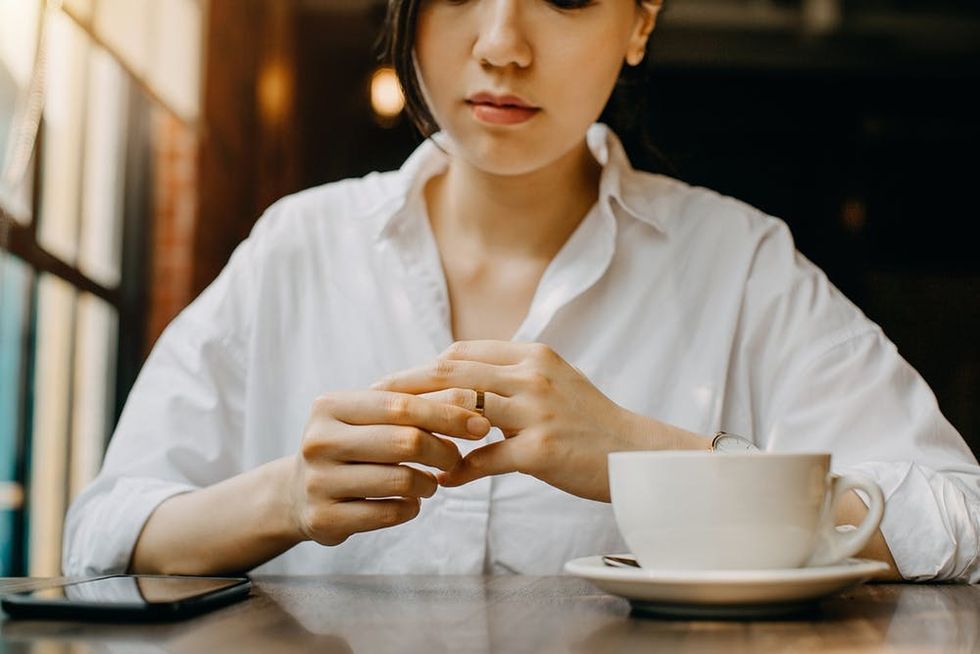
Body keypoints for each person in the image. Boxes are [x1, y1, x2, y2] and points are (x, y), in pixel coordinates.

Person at [64, 0, 979, 582]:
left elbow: (960, 515)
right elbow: (103, 533)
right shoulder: (296, 246)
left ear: (640, 22)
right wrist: (287, 501)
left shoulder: (740, 262)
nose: (501, 45)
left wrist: (654, 453)